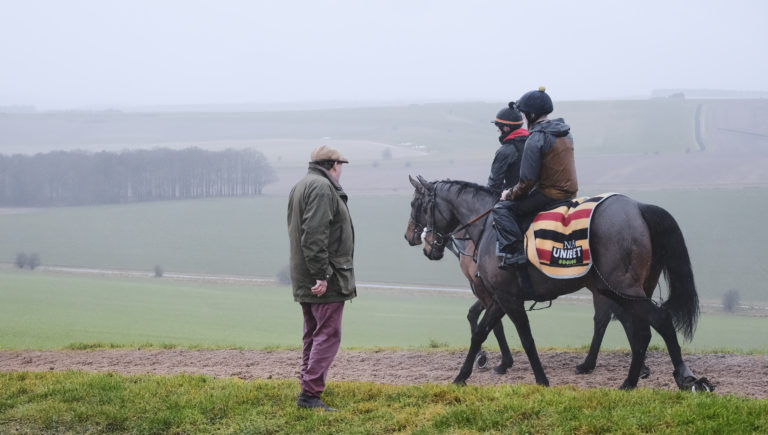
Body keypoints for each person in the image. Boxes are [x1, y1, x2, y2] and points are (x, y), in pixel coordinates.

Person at [287, 145, 356, 412]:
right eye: (341, 166)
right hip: (324, 278)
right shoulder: (323, 188)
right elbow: (314, 234)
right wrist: (322, 275)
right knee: (327, 334)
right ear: (334, 165)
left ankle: (307, 387)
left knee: (313, 334)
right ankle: (310, 395)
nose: (341, 170)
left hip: (305, 274)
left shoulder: (301, 185)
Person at [492, 86, 578, 280]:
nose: (523, 118)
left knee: (502, 209)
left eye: (523, 114)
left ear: (531, 115)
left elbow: (527, 182)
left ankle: (515, 254)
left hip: (549, 195)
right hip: (570, 193)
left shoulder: (536, 137)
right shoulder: (565, 132)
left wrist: (508, 194)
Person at [487, 102, 529, 195]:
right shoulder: (533, 140)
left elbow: (494, 185)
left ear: (506, 128)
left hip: (517, 197)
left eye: (498, 126)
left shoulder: (505, 151)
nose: (497, 130)